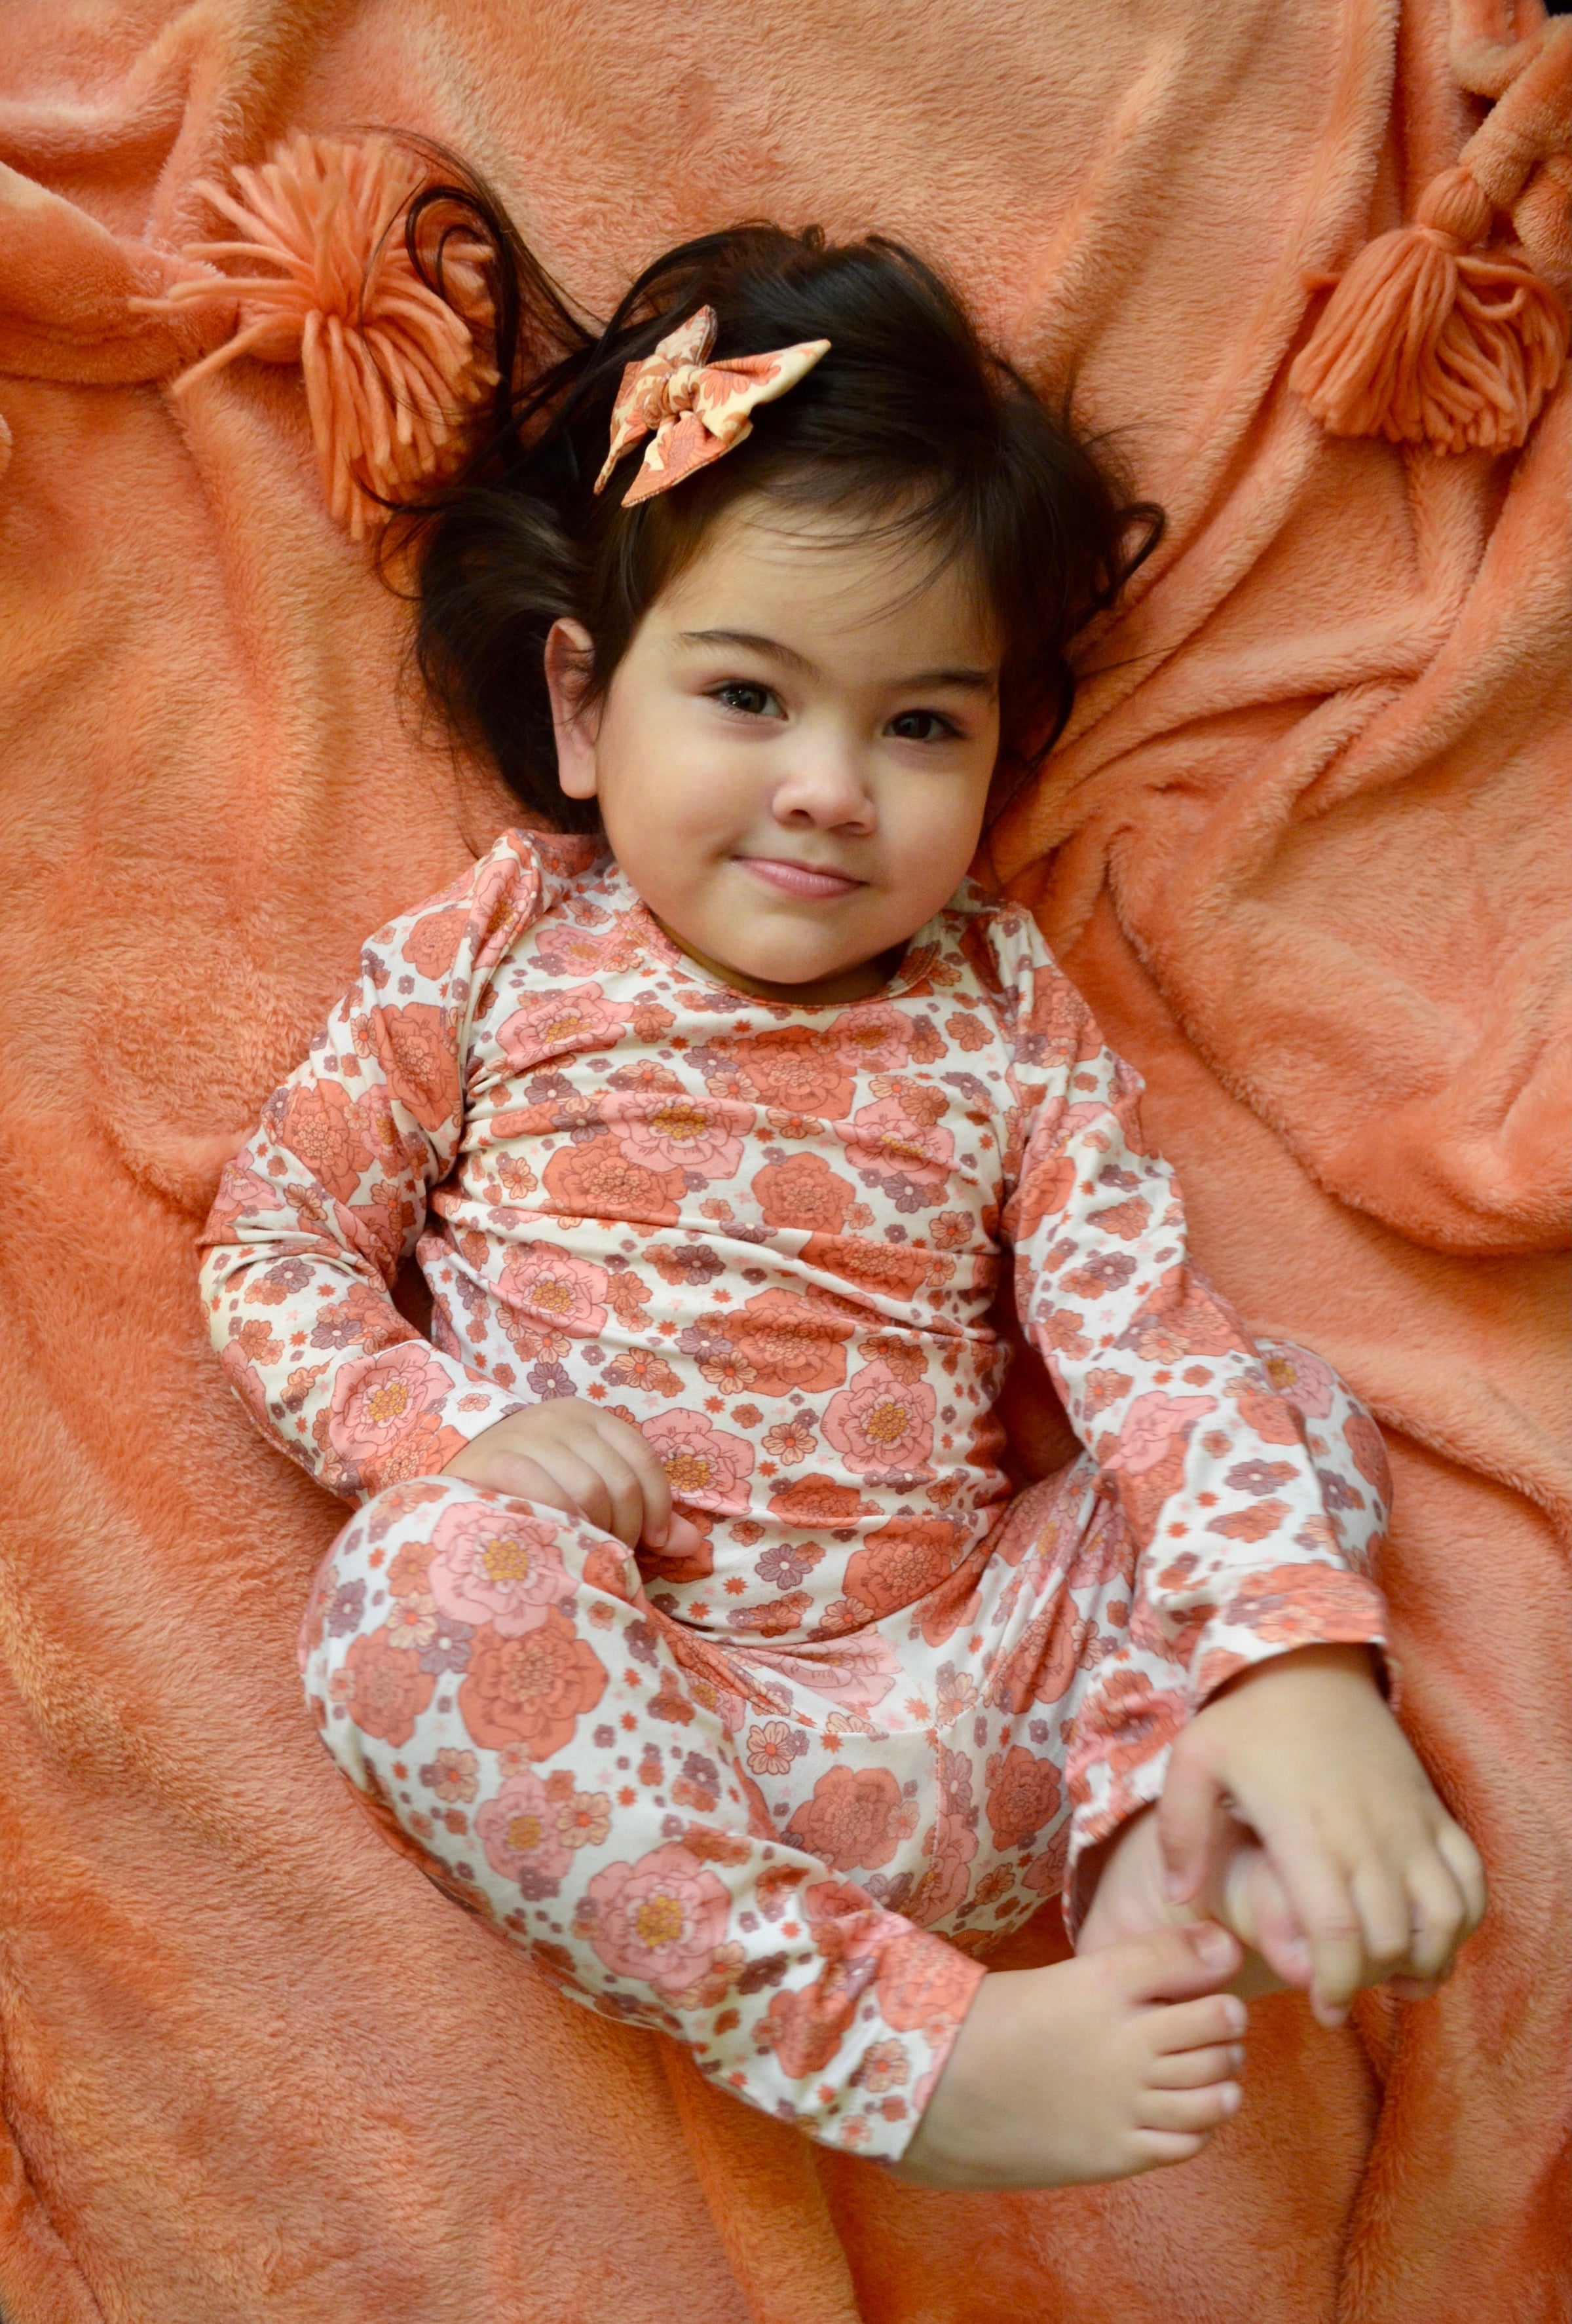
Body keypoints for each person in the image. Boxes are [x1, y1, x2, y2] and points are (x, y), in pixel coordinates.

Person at [197, 198, 1484, 2190]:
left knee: (1285, 1412)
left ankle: (1159, 1840)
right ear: (581, 706)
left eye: (920, 724)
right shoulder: (500, 946)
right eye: (748, 696)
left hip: (972, 1691)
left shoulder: (1002, 1005)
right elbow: (276, 1238)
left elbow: (1151, 1352)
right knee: (413, 1591)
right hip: (646, 1721)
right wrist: (448, 1439)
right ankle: (894, 2048)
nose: (828, 784)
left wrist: (1294, 1653)